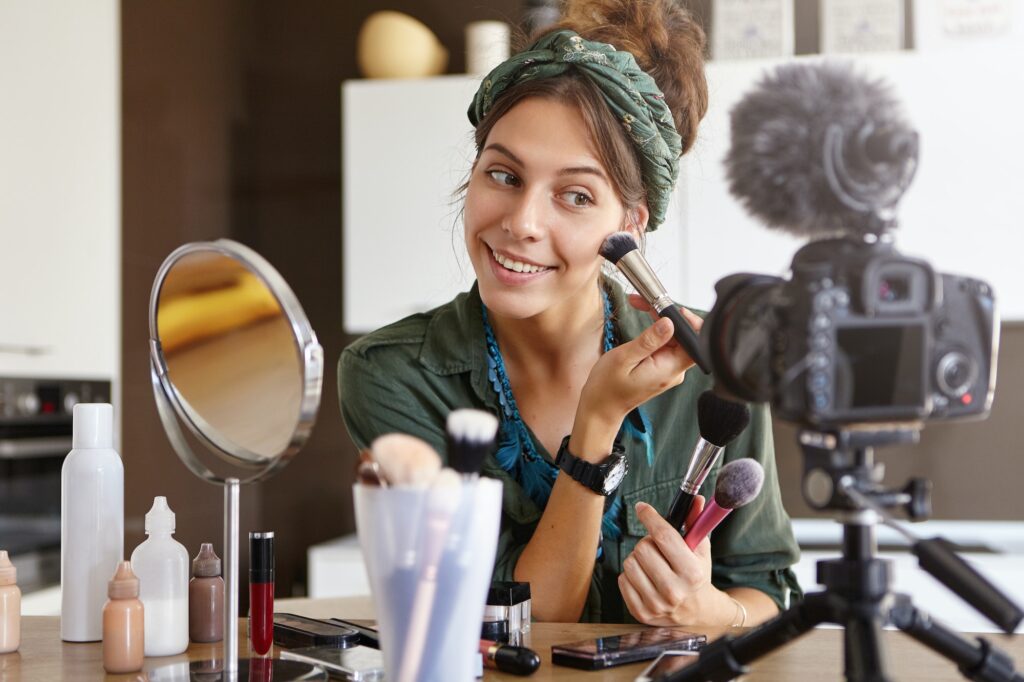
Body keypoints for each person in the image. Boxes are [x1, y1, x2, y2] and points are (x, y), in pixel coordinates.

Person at [339, 0, 801, 626]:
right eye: (503, 174)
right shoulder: (391, 375)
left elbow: (768, 594)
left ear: (629, 226)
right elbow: (503, 620)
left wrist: (713, 610)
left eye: (576, 195)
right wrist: (598, 419)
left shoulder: (715, 362)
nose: (523, 223)